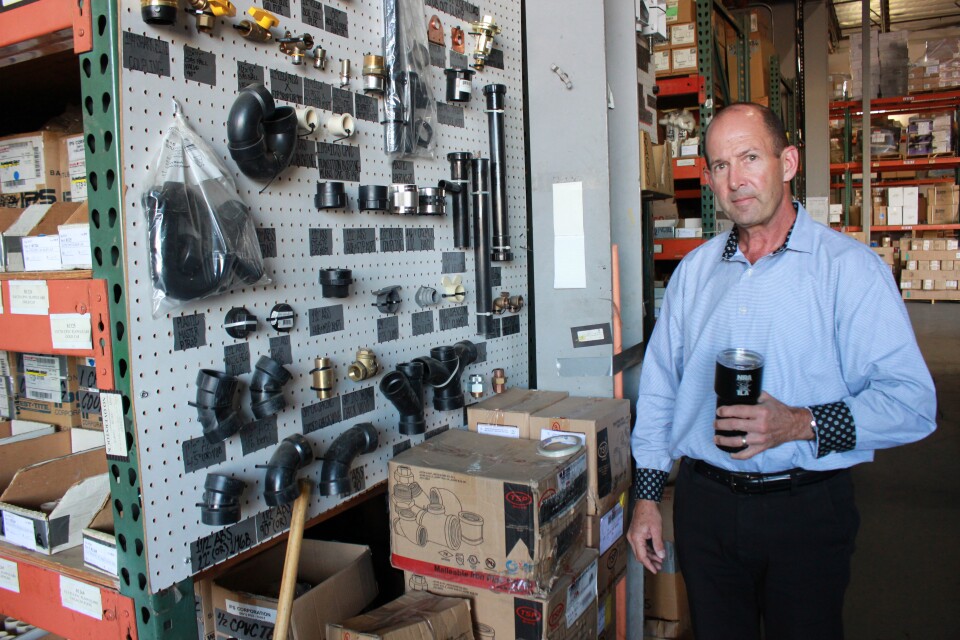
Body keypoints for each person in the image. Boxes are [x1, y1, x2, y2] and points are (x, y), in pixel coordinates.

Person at [627, 102, 937, 640]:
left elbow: (912, 402)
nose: (735, 180)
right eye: (720, 165)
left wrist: (800, 422)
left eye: (750, 157)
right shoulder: (694, 274)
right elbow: (660, 390)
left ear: (788, 162)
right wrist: (648, 497)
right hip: (706, 509)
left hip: (807, 510)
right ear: (709, 180)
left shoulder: (849, 271)